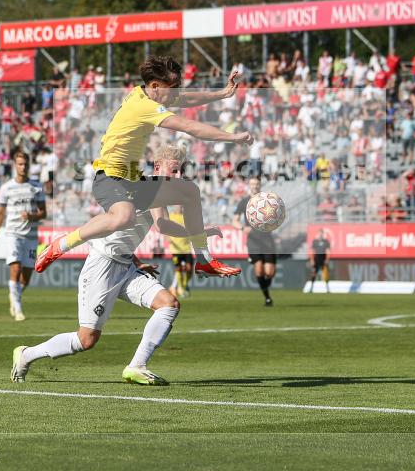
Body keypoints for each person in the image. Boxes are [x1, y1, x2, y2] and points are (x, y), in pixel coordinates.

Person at [11, 146, 220, 386]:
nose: (179, 176)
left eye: (181, 170)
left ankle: (137, 366)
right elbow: (162, 226)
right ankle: (26, 354)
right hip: (102, 265)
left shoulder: (156, 190)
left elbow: (151, 226)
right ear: (157, 167)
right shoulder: (149, 187)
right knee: (86, 340)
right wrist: (198, 231)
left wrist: (136, 260)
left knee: (169, 304)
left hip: (126, 264)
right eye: (174, 170)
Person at [35, 56, 252, 278]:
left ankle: (204, 260)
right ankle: (61, 244)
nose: (177, 92)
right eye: (174, 87)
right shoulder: (144, 106)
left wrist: (222, 93)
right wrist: (232, 137)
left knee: (190, 191)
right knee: (124, 217)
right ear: (156, 86)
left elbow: (185, 98)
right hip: (110, 178)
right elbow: (188, 126)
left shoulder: (146, 93)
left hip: (132, 181)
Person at [0, 152, 47, 321]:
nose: (23, 167)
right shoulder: (6, 188)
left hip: (31, 236)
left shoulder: (37, 186)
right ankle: (18, 309)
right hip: (13, 233)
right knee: (15, 268)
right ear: (14, 165)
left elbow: (44, 213)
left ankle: (14, 296)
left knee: (25, 279)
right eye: (20, 164)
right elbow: (0, 214)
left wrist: (32, 216)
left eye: (25, 164)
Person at [233, 176, 278, 306]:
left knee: (269, 273)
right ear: (249, 185)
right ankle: (267, 298)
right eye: (252, 184)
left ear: (260, 185)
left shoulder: (267, 200)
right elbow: (234, 221)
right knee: (259, 270)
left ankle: (266, 286)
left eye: (257, 184)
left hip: (267, 240)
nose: (255, 186)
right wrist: (243, 228)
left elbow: (277, 215)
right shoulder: (244, 202)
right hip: (253, 241)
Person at [167, 206, 193, 298]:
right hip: (176, 248)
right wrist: (167, 238)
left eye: (181, 206)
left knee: (189, 269)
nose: (179, 207)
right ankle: (180, 288)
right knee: (178, 269)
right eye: (178, 205)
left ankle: (184, 285)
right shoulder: (170, 217)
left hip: (186, 248)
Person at [308, 228, 331, 293]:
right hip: (316, 259)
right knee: (314, 273)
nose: (320, 234)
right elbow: (312, 251)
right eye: (319, 233)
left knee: (325, 274)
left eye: (321, 233)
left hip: (323, 259)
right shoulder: (315, 241)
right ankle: (311, 288)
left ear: (323, 234)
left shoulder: (326, 241)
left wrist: (327, 259)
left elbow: (328, 251)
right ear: (318, 234)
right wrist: (312, 260)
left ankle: (327, 289)